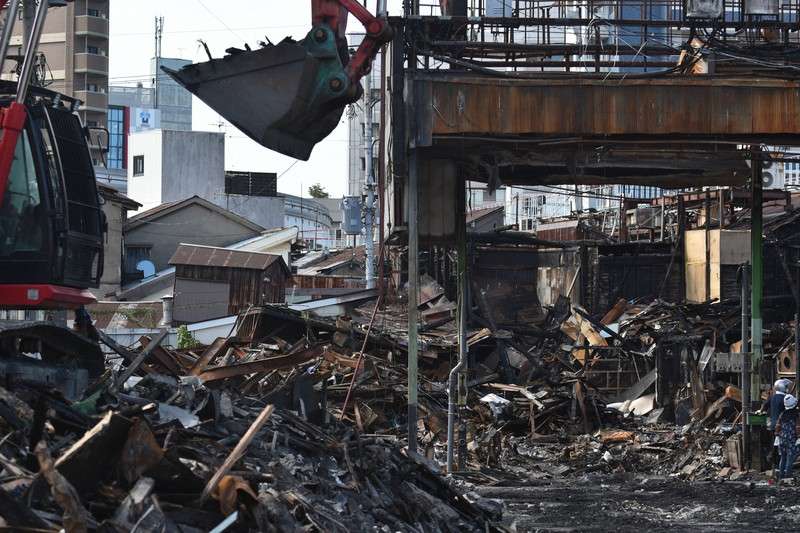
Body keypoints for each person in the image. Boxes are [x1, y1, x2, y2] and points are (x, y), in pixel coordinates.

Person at [775, 394, 800, 482]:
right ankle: (787, 477)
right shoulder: (796, 414)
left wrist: (777, 435)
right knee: (790, 458)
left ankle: (781, 476)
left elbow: (778, 425)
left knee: (783, 457)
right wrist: (799, 437)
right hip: (792, 439)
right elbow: (798, 427)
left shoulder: (782, 414)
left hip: (782, 438)